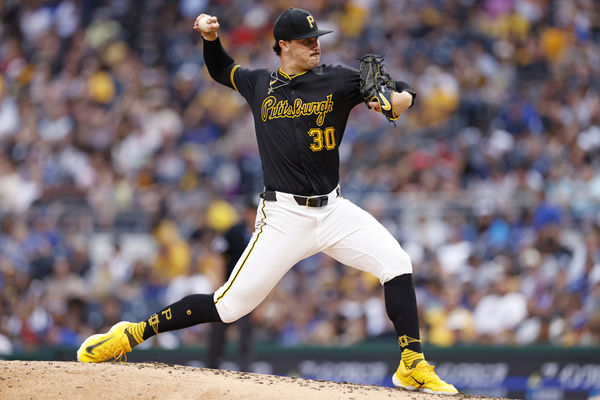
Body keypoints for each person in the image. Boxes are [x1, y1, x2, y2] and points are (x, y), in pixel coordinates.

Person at [77, 8, 458, 395]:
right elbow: (220, 69)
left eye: (318, 38)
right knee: (228, 306)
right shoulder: (259, 83)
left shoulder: (339, 78)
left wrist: (399, 98)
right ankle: (131, 334)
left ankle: (412, 365)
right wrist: (211, 41)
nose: (316, 45)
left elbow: (396, 95)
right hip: (284, 216)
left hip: (334, 209)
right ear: (283, 46)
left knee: (397, 262)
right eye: (307, 41)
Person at [206, 199, 257, 371]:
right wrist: (219, 285)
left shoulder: (266, 234)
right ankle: (212, 368)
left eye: (256, 211)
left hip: (250, 293)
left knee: (246, 334)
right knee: (217, 331)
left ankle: (244, 372)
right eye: (251, 211)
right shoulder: (234, 231)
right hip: (229, 289)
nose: (254, 215)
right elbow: (217, 255)